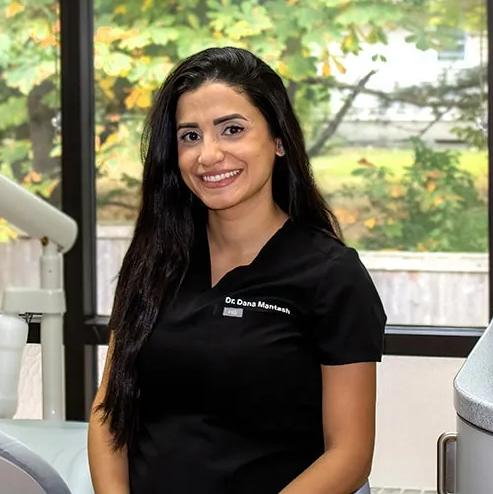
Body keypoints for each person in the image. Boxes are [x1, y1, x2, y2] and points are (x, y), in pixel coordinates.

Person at [88, 46, 388, 494]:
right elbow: (107, 414)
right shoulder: (155, 260)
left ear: (278, 140)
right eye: (190, 136)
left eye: (232, 129)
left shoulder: (331, 275)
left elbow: (349, 455)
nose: (208, 155)